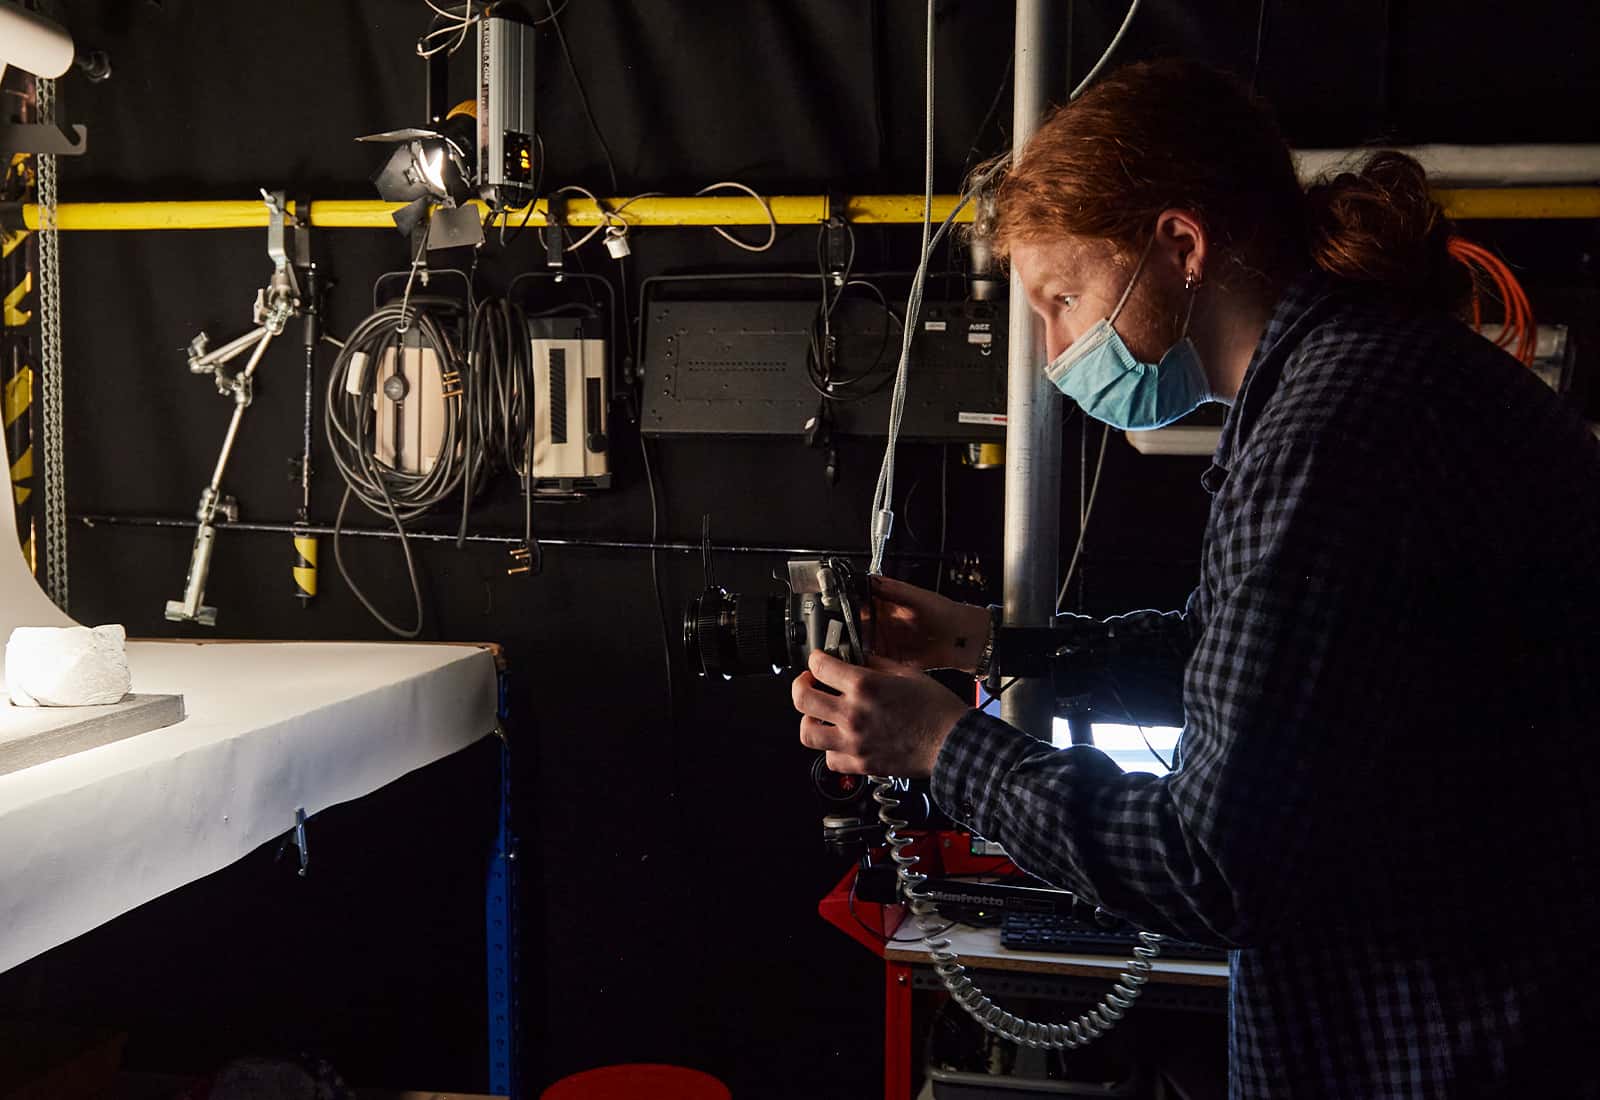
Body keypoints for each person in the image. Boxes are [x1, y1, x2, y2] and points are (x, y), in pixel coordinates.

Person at [791, 59, 1600, 1098]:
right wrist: (983, 644)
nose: (1051, 352)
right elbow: (1257, 663)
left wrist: (939, 741)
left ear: (1178, 246)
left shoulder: (1331, 429)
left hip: (1448, 1044)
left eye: (1062, 298)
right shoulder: (1358, 374)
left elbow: (1212, 864)